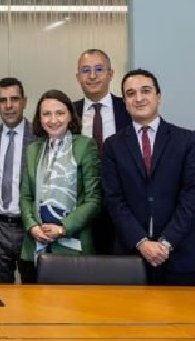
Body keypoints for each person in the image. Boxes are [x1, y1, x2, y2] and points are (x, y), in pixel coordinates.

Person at [102, 68, 195, 286]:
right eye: (131, 93)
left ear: (159, 96)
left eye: (145, 91)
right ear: (125, 102)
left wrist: (166, 243)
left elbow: (193, 196)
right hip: (130, 256)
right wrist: (141, 242)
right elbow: (114, 200)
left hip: (179, 256)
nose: (138, 98)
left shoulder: (186, 140)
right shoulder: (112, 146)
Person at [19, 90, 101, 281]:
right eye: (46, 114)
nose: (53, 120)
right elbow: (26, 196)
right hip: (36, 246)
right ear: (40, 119)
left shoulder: (85, 146)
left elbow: (94, 200)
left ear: (70, 115)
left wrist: (63, 228)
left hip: (74, 248)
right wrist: (32, 227)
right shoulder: (33, 150)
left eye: (60, 113)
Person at [73, 48, 129, 254]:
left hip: (123, 207)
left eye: (99, 69)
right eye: (85, 70)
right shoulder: (68, 113)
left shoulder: (128, 109)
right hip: (80, 207)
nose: (92, 76)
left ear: (111, 74)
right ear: (78, 77)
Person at [0, 77, 35, 283]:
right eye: (3, 100)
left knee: (33, 290)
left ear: (24, 102)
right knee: (0, 290)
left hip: (29, 227)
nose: (9, 106)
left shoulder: (39, 137)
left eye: (14, 99)